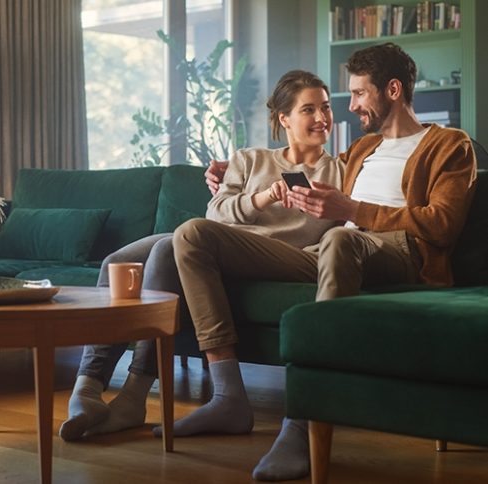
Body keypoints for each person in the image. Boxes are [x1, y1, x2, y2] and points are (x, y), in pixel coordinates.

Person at [171, 42, 477, 482]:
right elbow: (315, 167)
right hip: (330, 252)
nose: (348, 107)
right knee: (192, 234)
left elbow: (442, 224)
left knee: (339, 239)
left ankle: (301, 420)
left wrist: (352, 212)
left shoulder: (449, 145)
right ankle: (228, 395)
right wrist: (222, 171)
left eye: (358, 94)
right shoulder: (361, 150)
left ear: (393, 89)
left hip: (400, 252)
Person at [59, 69, 345, 441]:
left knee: (168, 248)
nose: (322, 118)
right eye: (309, 109)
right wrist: (264, 197)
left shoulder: (340, 171)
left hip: (269, 253)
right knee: (117, 262)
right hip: (220, 238)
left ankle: (133, 395)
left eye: (325, 107)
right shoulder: (249, 159)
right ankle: (88, 388)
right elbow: (217, 211)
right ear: (284, 118)